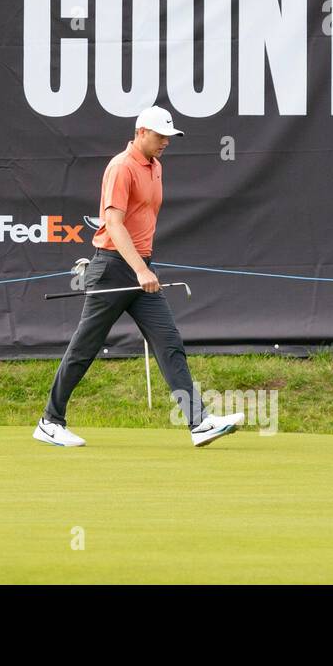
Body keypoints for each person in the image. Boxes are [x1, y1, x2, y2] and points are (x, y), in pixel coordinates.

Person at [34, 105, 243, 448]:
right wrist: (140, 269)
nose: (166, 143)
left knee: (169, 342)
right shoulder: (121, 167)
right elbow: (114, 224)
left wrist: (143, 266)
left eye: (169, 137)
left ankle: (199, 422)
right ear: (141, 132)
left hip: (139, 266)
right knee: (85, 347)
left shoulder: (155, 167)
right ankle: (49, 421)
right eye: (161, 136)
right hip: (113, 268)